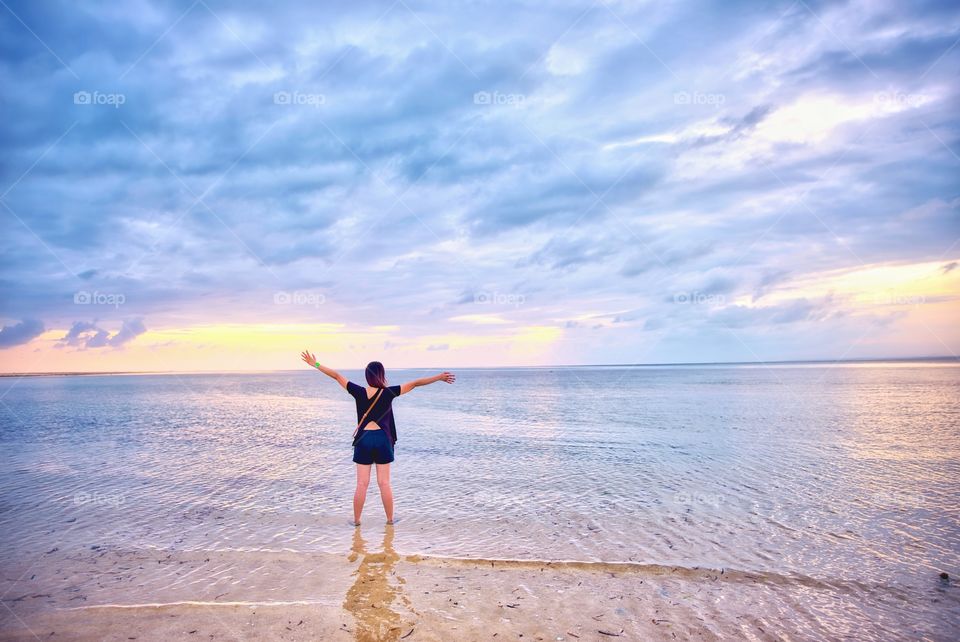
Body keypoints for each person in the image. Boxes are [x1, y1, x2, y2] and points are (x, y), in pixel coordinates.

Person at [301, 350, 455, 526]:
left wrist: (316, 364)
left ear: (367, 376)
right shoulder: (389, 392)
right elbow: (415, 383)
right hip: (382, 439)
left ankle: (356, 521)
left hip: (364, 439)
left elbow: (336, 376)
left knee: (361, 484)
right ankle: (390, 520)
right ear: (382, 375)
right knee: (384, 483)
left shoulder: (358, 391)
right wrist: (439, 377)